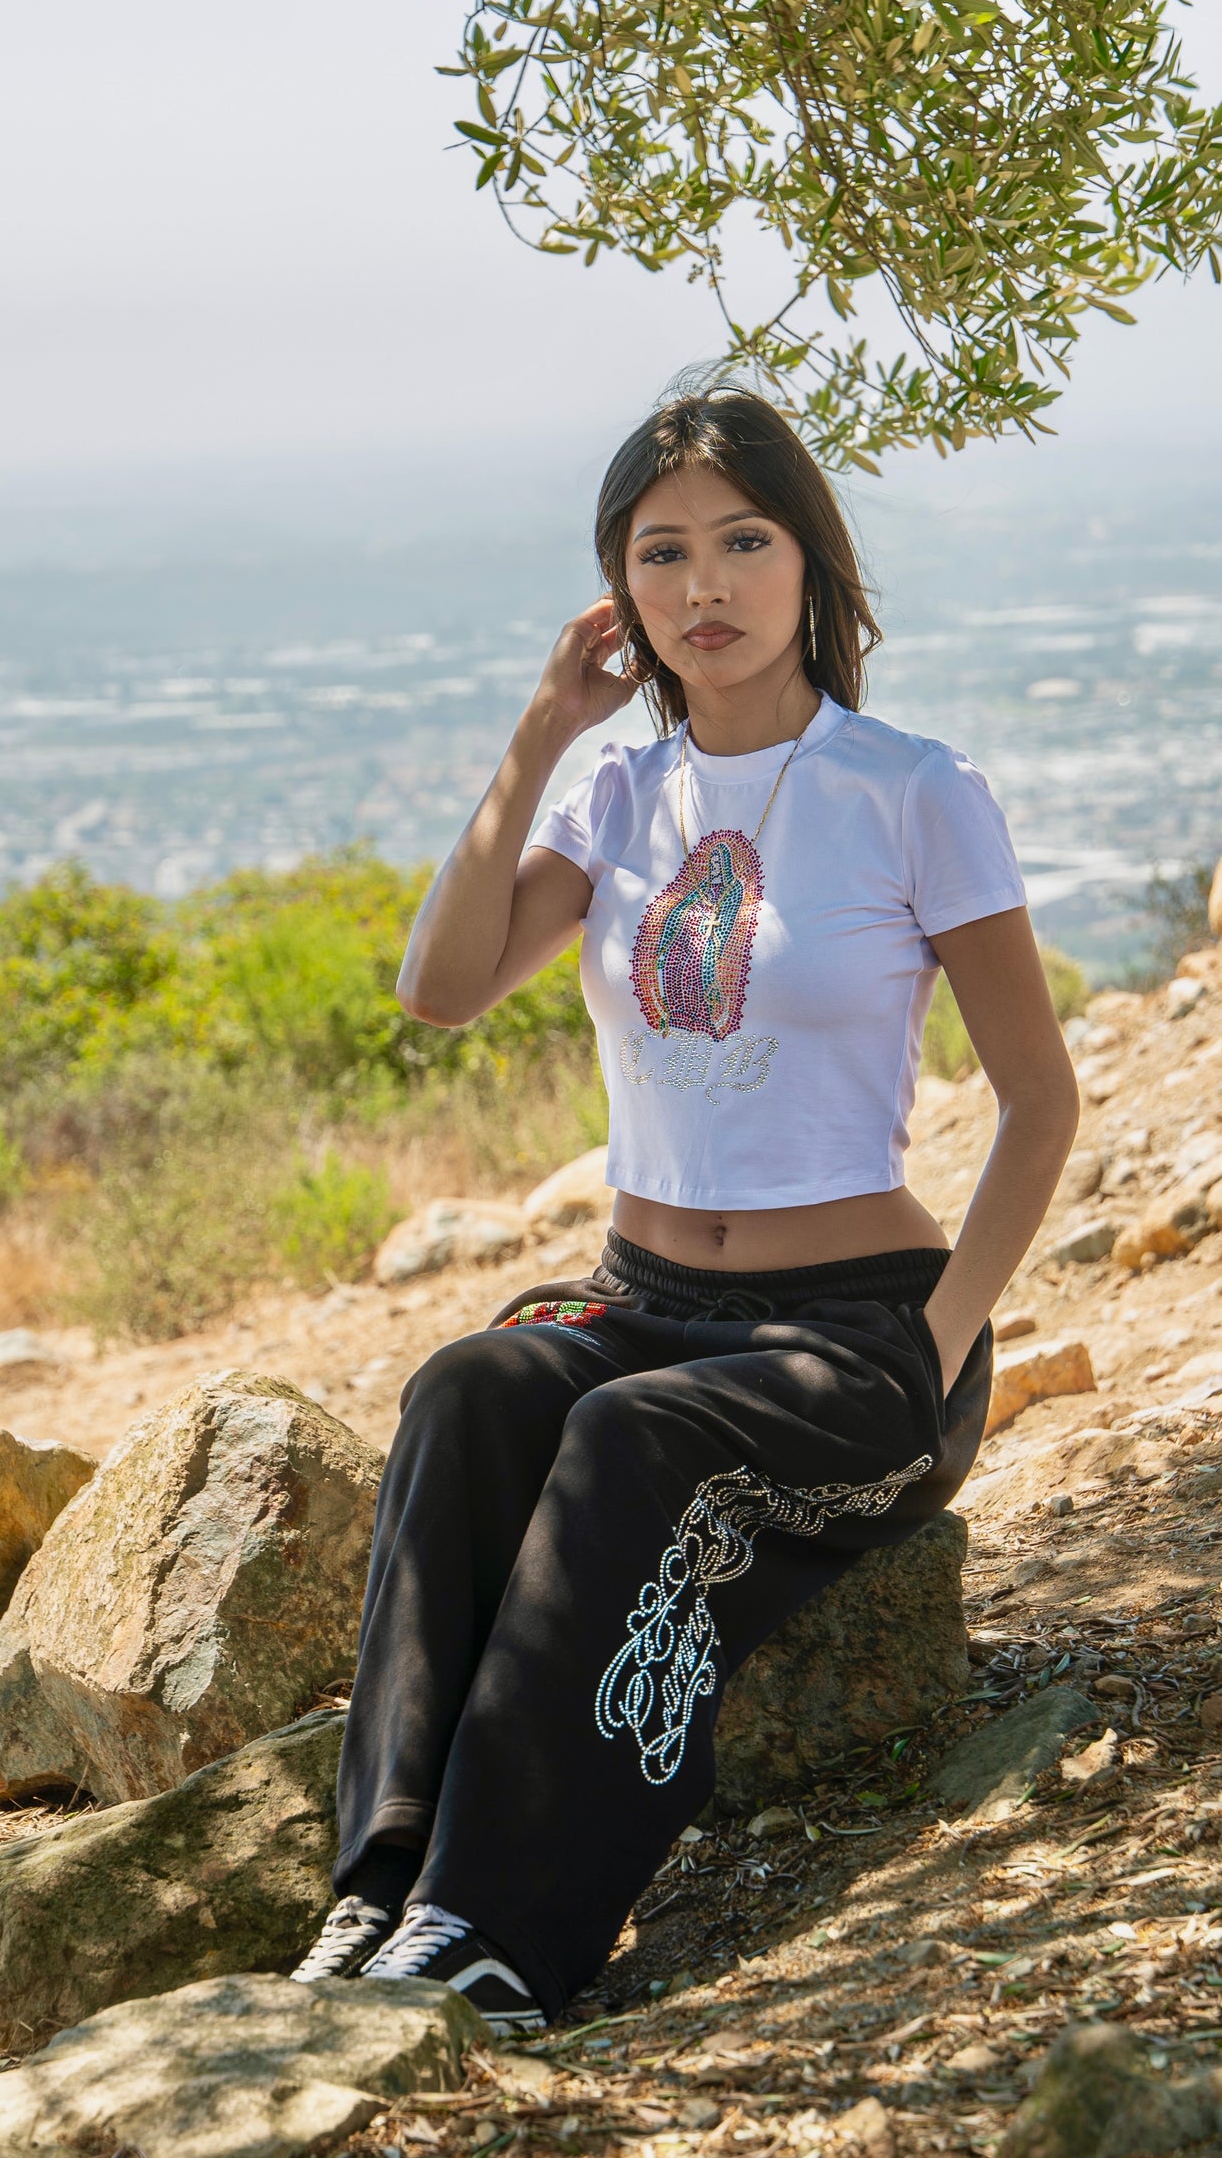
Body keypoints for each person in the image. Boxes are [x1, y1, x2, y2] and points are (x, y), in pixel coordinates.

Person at [289, 383, 1079, 2034]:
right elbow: (439, 989)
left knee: (629, 1441)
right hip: (639, 1290)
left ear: (809, 564)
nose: (703, 585)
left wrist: (933, 1347)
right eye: (663, 554)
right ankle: (382, 1885)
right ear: (618, 592)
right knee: (471, 1386)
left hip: (858, 1321)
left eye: (742, 541)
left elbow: (1038, 1102)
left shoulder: (910, 788)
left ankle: (503, 1932)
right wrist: (536, 730)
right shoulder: (612, 797)